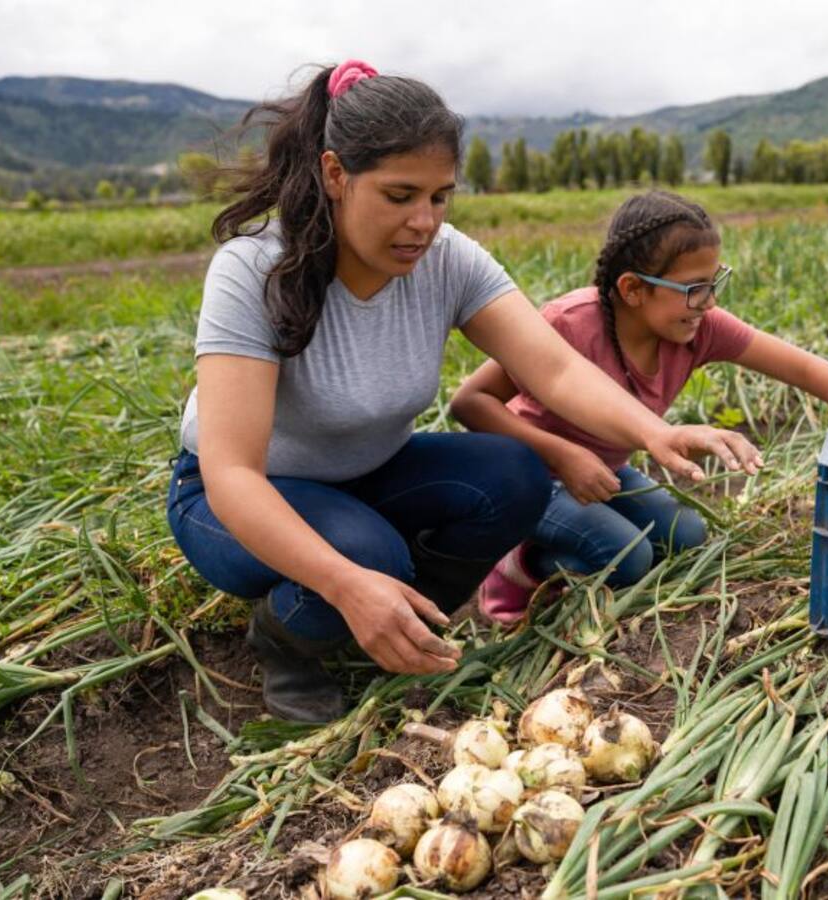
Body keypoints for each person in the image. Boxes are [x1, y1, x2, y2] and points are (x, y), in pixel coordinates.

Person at [167, 66, 756, 722]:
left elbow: (554, 370)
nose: (423, 222)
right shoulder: (256, 269)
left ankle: (405, 620)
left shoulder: (447, 259)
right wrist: (346, 582)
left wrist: (655, 432)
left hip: (370, 473)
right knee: (365, 557)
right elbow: (233, 473)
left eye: (440, 197)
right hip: (232, 498)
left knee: (515, 473)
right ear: (335, 174)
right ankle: (288, 642)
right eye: (399, 196)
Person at [451, 191, 828, 623]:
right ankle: (517, 567)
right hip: (530, 478)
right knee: (627, 556)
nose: (709, 302)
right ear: (632, 289)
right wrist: (562, 456)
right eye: (694, 289)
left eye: (714, 283)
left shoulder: (699, 328)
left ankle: (565, 549)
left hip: (604, 471)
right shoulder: (568, 323)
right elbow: (470, 402)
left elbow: (812, 371)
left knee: (687, 536)